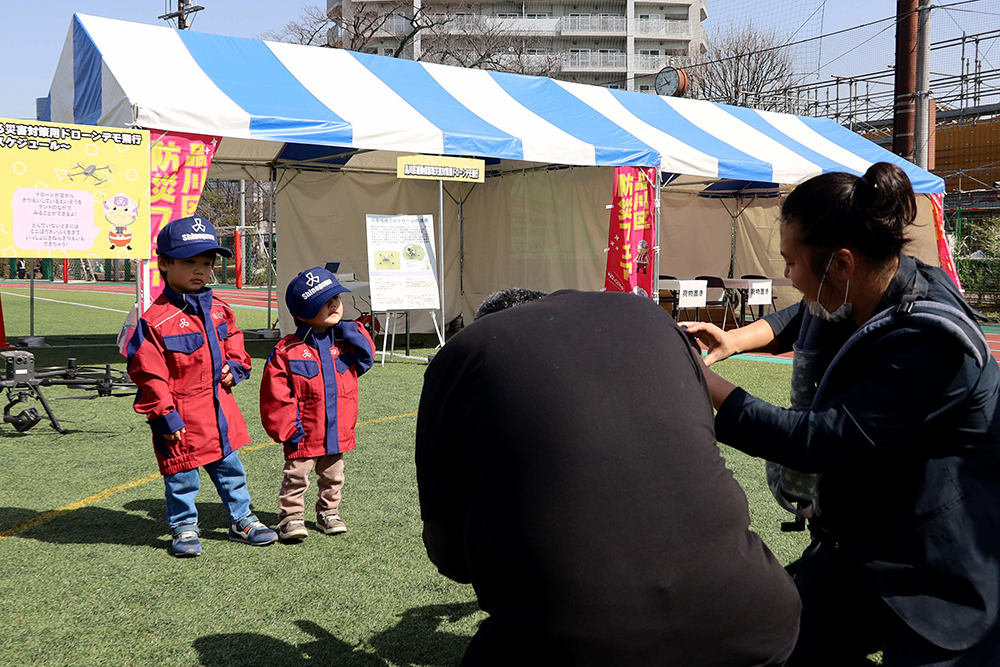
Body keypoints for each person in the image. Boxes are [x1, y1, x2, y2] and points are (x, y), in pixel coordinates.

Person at [685, 162, 1000, 666]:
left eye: (791, 263)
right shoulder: (871, 288)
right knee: (779, 645)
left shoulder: (931, 345)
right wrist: (735, 339)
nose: (787, 276)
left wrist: (709, 387)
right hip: (860, 544)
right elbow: (800, 313)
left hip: (939, 569)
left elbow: (821, 441)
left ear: (842, 265)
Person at [416, 288, 801, 666]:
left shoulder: (462, 355)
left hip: (576, 644)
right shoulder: (650, 318)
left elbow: (450, 556)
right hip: (758, 621)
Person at [127, 216, 277, 557]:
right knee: (181, 478)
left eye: (206, 263)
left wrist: (236, 367)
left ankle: (243, 520)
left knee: (231, 470)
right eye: (189, 261)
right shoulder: (155, 320)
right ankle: (184, 527)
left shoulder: (220, 309)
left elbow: (235, 342)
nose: (200, 270)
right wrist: (164, 417)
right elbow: (148, 374)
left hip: (220, 413)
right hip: (180, 418)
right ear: (164, 264)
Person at [259, 267, 376, 542]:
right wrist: (288, 430)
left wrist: (349, 328)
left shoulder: (346, 343)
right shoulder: (287, 350)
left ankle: (329, 512)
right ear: (303, 312)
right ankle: (291, 517)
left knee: (334, 476)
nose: (335, 305)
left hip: (338, 430)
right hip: (302, 432)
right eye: (325, 302)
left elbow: (367, 357)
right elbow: (275, 396)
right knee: (296, 477)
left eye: (336, 298)